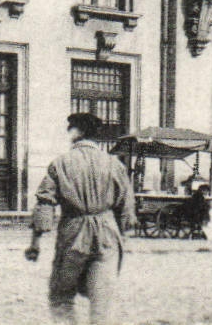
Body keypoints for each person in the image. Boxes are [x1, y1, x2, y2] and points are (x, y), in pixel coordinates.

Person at [24, 112, 136, 325]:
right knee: (101, 302)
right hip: (108, 234)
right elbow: (126, 208)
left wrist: (35, 244)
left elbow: (44, 204)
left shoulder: (60, 163)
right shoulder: (115, 165)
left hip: (73, 233)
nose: (68, 133)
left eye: (70, 128)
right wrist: (122, 238)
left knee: (61, 296)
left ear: (78, 132)